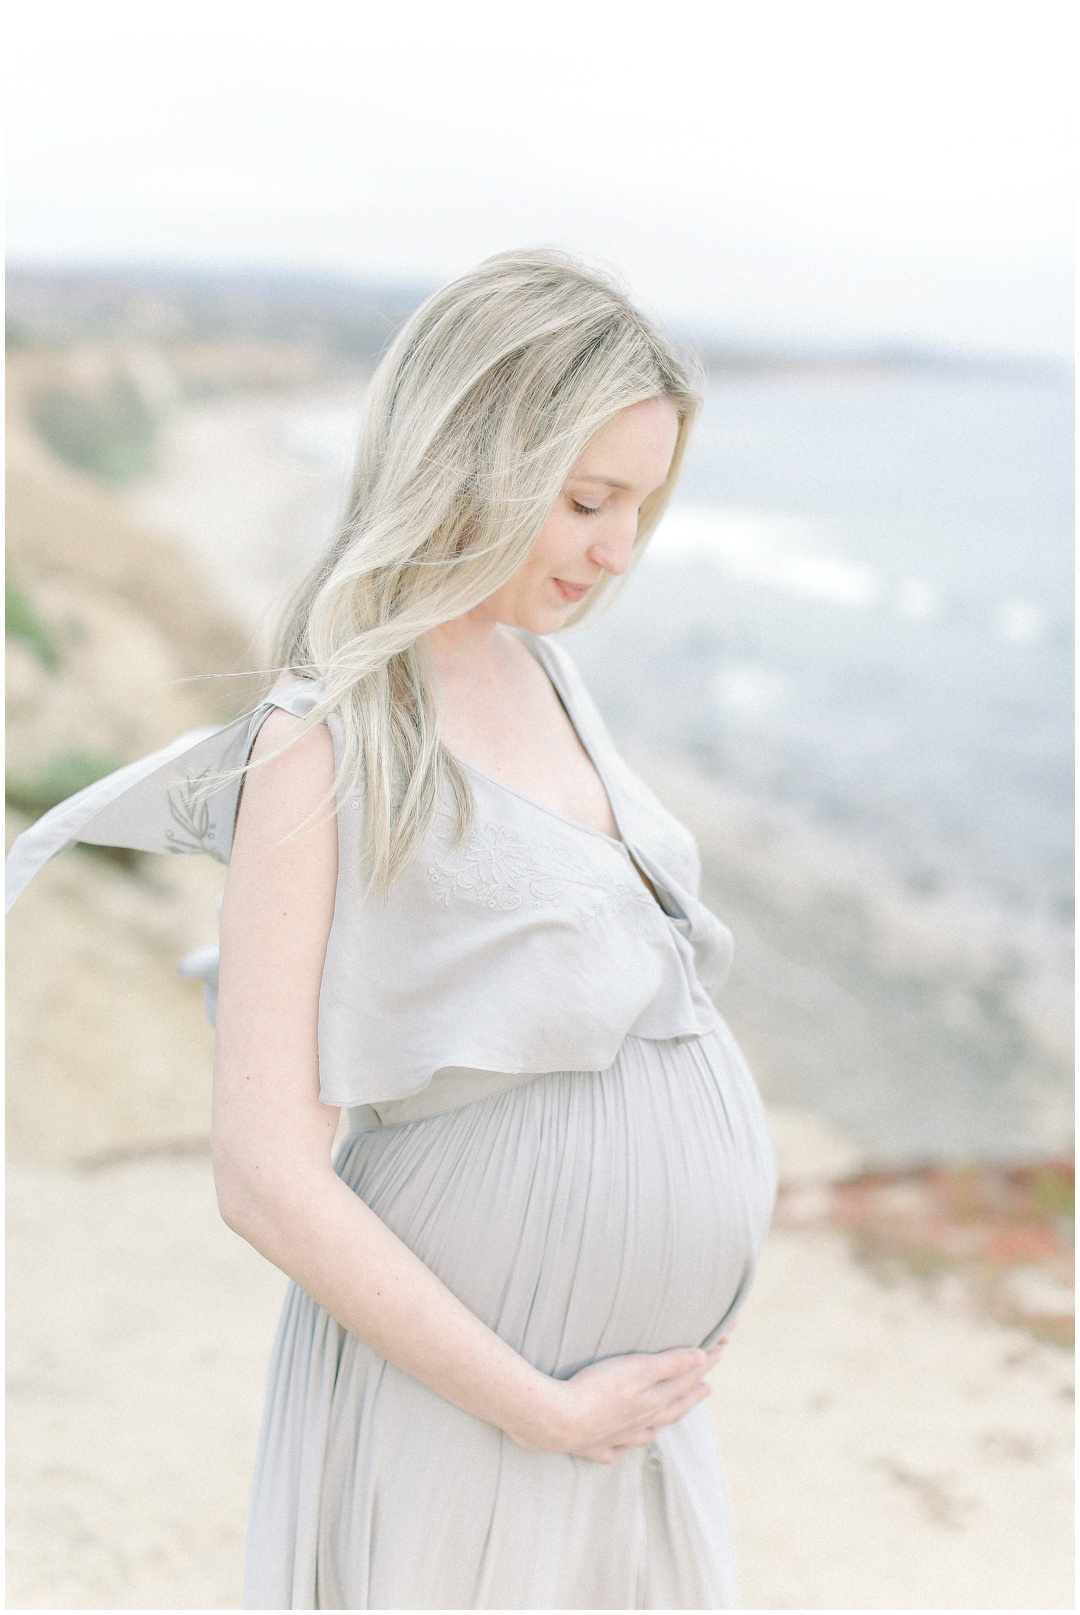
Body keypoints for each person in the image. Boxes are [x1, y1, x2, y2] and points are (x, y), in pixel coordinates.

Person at [5, 248, 777, 1610]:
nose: (615, 550)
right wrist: (539, 1407)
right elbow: (264, 1178)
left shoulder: (545, 669)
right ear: (471, 456)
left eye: (640, 509)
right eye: (588, 499)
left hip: (623, 1412)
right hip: (480, 1403)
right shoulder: (324, 739)